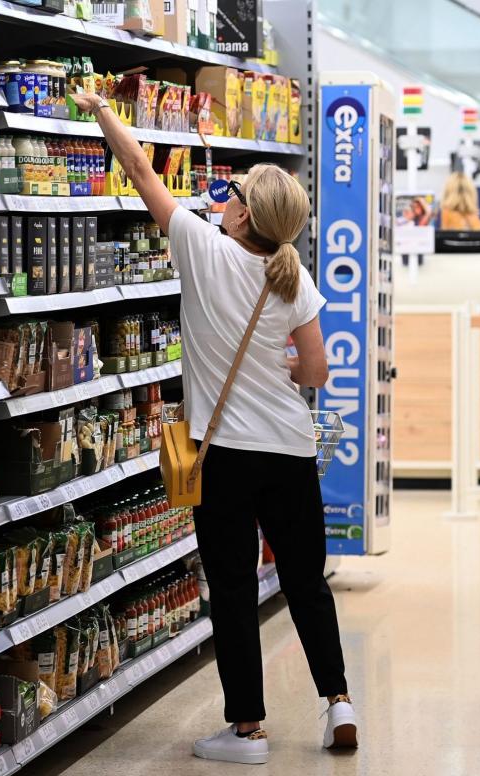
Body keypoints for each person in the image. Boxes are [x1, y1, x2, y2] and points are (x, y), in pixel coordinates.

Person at [71, 89, 355, 766]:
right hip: (287, 448)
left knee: (231, 587)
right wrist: (277, 361)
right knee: (305, 581)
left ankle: (248, 730)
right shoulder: (293, 276)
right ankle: (338, 701)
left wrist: (100, 110)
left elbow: (141, 172)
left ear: (243, 212)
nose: (220, 197)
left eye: (230, 190)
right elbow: (314, 373)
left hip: (224, 453)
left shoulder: (199, 247)